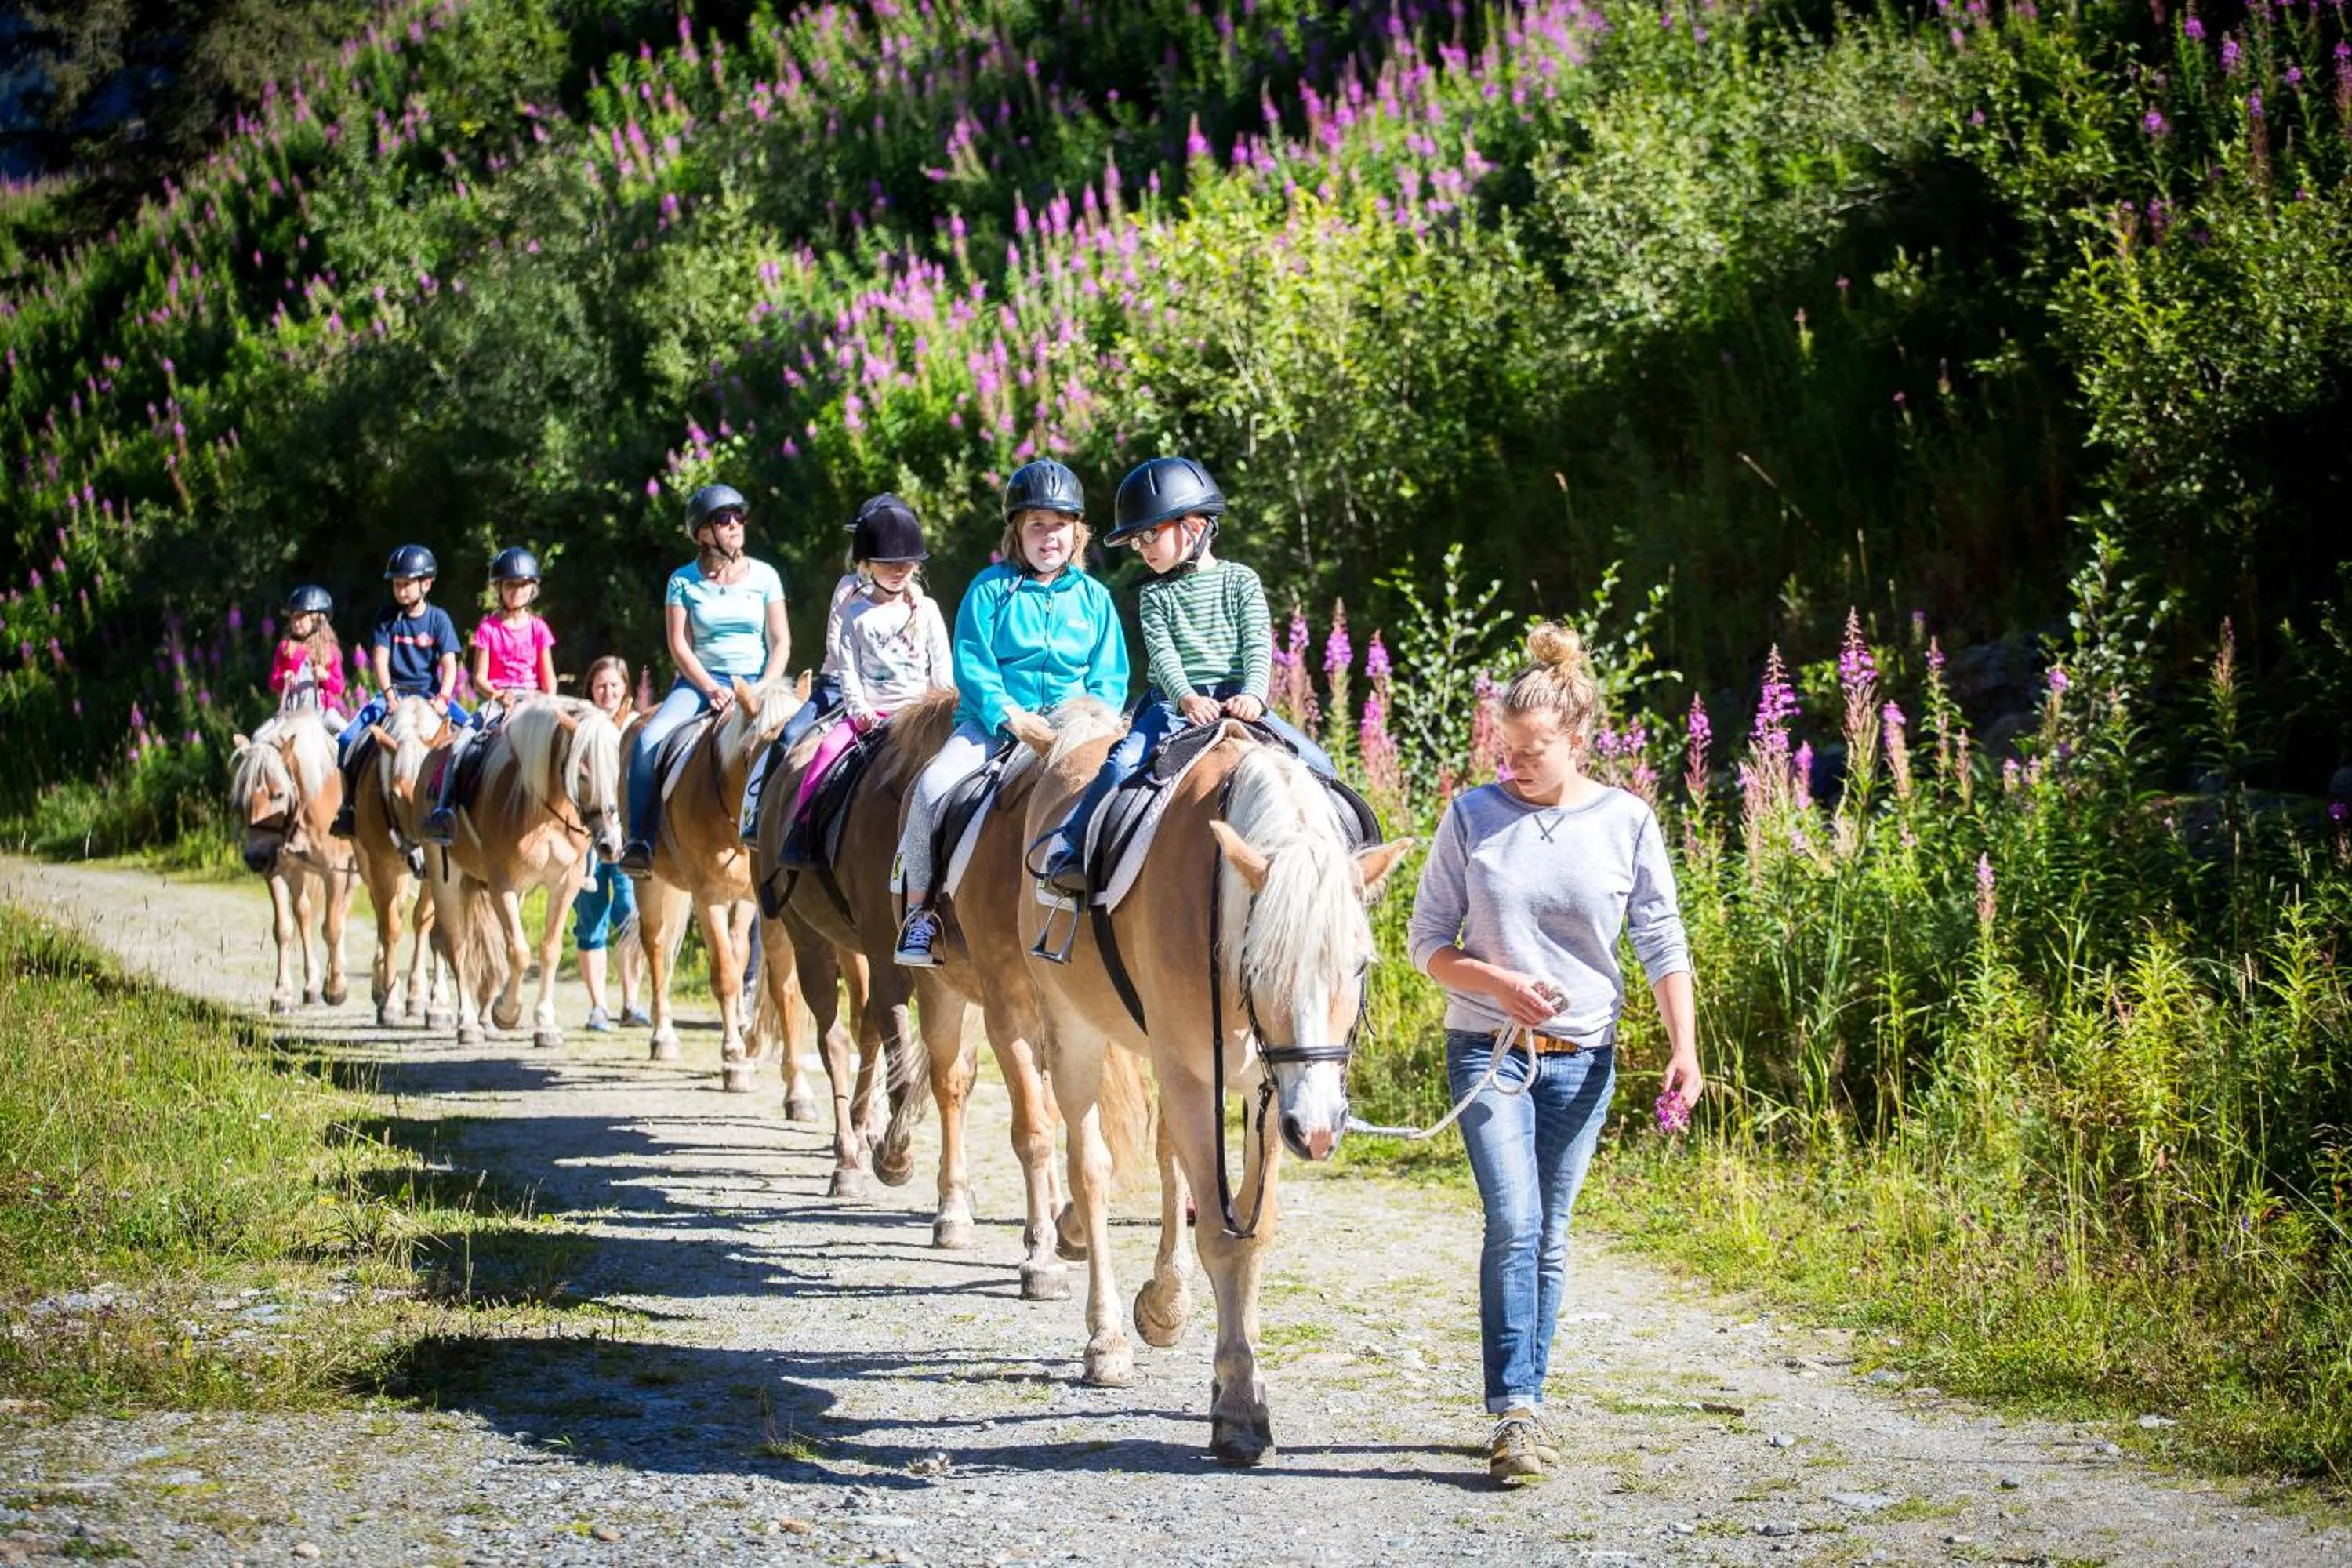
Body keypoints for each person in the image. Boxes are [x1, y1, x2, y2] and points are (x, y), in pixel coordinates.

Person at [1403, 622, 1703, 1488]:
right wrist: (1495, 980)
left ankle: (1523, 1400)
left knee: (1553, 1232)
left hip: (1585, 1058)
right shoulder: (1472, 815)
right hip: (1487, 1049)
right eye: (1505, 746)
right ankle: (1517, 1408)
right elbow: (1427, 943)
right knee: (1516, 1220)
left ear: (1579, 741)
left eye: (1531, 750)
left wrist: (1685, 1044)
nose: (1513, 763)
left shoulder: (1626, 820)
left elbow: (1660, 936)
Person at [1033, 455, 1331, 895]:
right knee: (1120, 765)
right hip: (1175, 705)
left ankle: (1341, 864)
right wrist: (1187, 697)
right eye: (1137, 541)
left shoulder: (1241, 581)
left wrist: (1253, 692)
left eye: (1151, 533)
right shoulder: (1156, 596)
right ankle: (1071, 849)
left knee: (1321, 765)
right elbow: (1165, 655)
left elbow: (1256, 643)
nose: (1144, 548)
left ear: (1194, 523)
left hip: (1238, 701)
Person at [891, 458, 1127, 967]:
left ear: (1077, 533)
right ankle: (919, 915)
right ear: (1016, 532)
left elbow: (1110, 676)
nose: (1049, 537)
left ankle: (1117, 917)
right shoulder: (990, 589)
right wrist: (1009, 716)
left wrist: (1097, 723)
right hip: (994, 726)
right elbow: (972, 663)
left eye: (1060, 526)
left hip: (1077, 730)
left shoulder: (1095, 598)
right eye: (1037, 525)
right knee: (930, 792)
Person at [768, 494, 953, 863]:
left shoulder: (927, 610)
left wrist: (943, 708)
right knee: (823, 752)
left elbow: (942, 667)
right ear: (866, 565)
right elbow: (847, 671)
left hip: (920, 714)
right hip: (872, 715)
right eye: (888, 564)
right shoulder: (857, 613)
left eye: (906, 563)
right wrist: (859, 711)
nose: (899, 570)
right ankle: (803, 831)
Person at [619, 483, 790, 874]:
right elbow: (679, 645)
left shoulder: (765, 576)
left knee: (797, 741)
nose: (735, 525)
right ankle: (641, 841)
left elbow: (781, 641)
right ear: (703, 533)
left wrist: (762, 688)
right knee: (648, 740)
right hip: (701, 682)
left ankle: (794, 838)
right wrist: (711, 688)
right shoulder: (682, 581)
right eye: (724, 519)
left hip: (758, 682)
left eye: (738, 517)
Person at [421, 546, 557, 844]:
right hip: (499, 700)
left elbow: (550, 679)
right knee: (462, 743)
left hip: (533, 700)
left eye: (523, 586)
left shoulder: (538, 629)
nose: (517, 592)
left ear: (532, 589)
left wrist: (545, 701)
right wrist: (499, 694)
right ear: (500, 589)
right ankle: (444, 811)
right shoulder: (488, 628)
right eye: (511, 585)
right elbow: (480, 678)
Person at [331, 545, 470, 838]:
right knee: (346, 739)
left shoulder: (438, 619)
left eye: (407, 584)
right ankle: (349, 809)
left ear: (427, 584)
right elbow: (380, 658)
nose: (401, 590)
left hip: (430, 693)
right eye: (397, 584)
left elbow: (449, 663)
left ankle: (460, 808)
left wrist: (444, 697)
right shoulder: (387, 617)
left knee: (472, 738)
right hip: (394, 694)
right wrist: (389, 695)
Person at [741, 537, 862, 845]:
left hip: (896, 693)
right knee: (787, 735)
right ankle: (759, 816)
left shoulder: (916, 598)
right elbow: (837, 647)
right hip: (839, 685)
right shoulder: (848, 588)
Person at [574, 655, 648, 1030]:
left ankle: (631, 1002)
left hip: (623, 836)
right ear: (590, 688)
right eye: (600, 685)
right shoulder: (580, 728)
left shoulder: (635, 728)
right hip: (587, 838)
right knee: (591, 918)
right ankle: (598, 1005)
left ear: (625, 690)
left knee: (628, 913)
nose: (607, 692)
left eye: (614, 686)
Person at [270, 583, 348, 724]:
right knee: (258, 737)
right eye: (293, 617)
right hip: (290, 713)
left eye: (300, 617)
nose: (295, 622)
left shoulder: (331, 650)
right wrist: (284, 679)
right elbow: (273, 681)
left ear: (318, 619)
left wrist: (326, 677)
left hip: (324, 713)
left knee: (347, 736)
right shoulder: (285, 647)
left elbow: (339, 687)